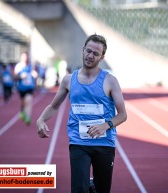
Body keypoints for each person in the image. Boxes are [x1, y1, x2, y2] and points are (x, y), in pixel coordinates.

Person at [36, 34, 127, 193]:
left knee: (102, 190)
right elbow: (53, 106)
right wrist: (41, 120)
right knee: (79, 189)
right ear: (83, 50)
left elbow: (123, 115)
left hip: (104, 143)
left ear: (102, 57)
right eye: (88, 51)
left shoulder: (110, 81)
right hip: (79, 143)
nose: (90, 56)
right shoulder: (68, 80)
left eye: (95, 53)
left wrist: (105, 126)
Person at [14, 52, 38, 125]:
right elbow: (14, 77)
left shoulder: (30, 66)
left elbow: (35, 74)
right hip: (21, 88)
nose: (25, 58)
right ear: (21, 57)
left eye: (26, 57)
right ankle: (22, 111)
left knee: (29, 101)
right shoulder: (18, 66)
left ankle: (28, 117)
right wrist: (20, 76)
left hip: (29, 87)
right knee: (23, 102)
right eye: (23, 57)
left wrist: (35, 76)